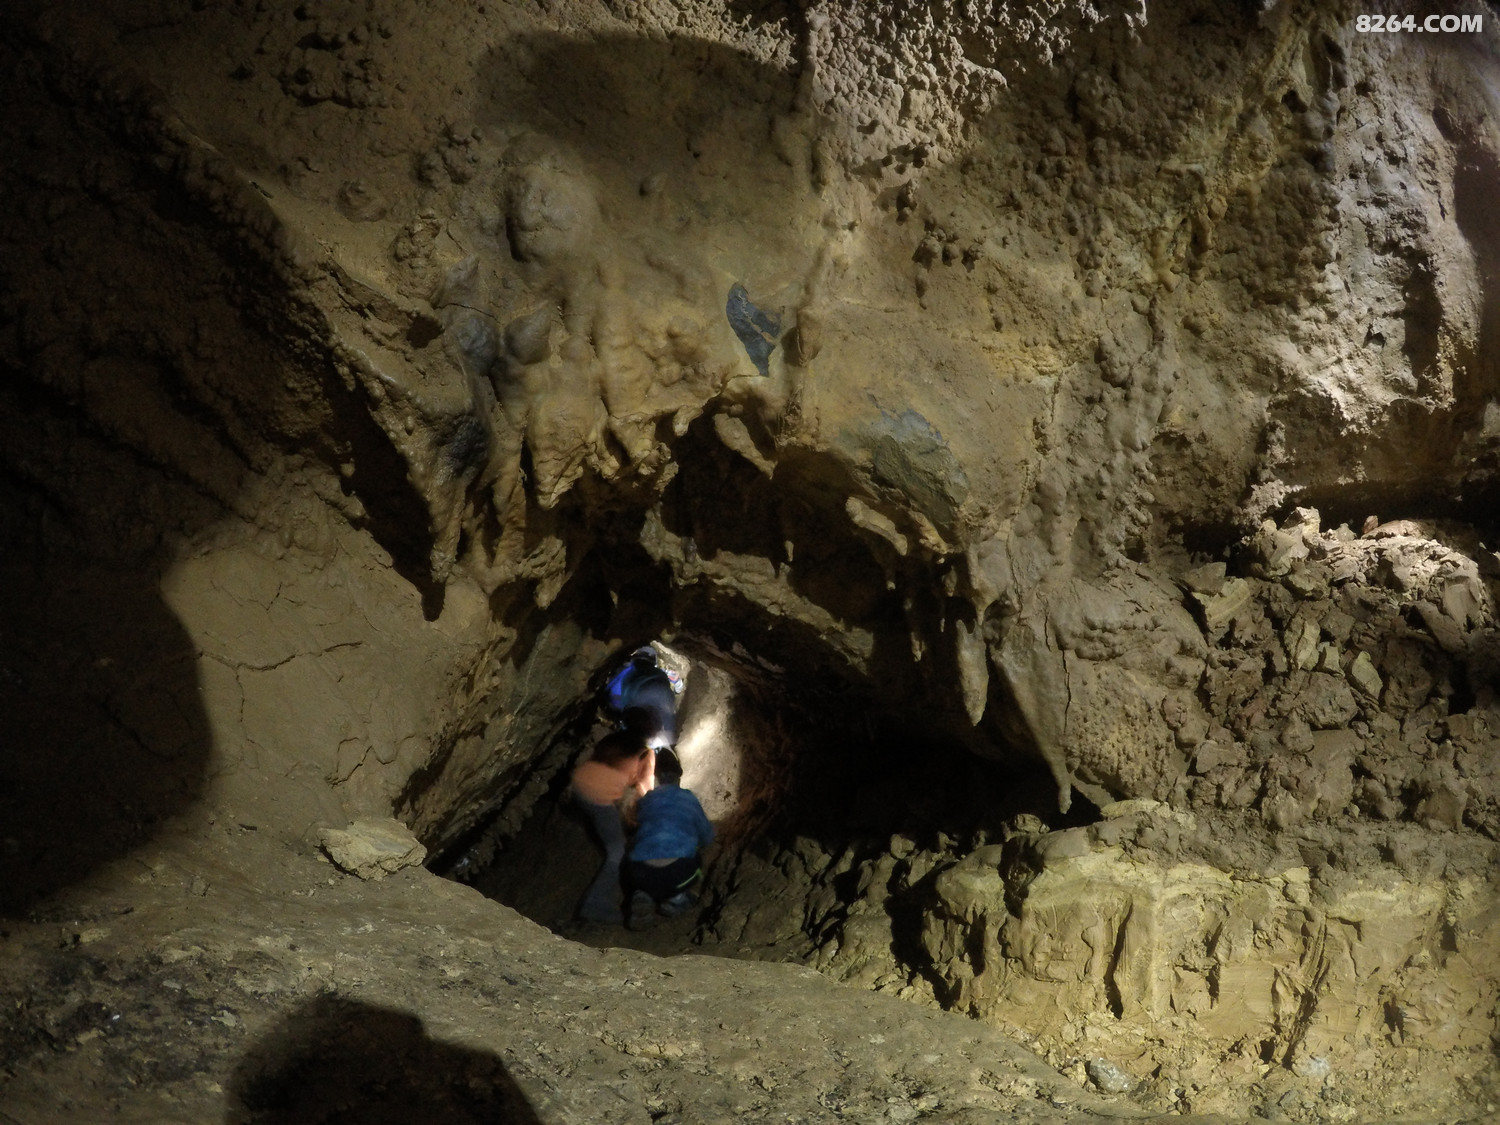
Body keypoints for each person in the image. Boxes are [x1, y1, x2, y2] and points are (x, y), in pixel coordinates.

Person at [624, 749, 714, 930]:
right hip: (677, 870)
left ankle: (643, 894)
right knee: (695, 860)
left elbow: (637, 827)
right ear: (679, 776)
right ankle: (675, 899)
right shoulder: (688, 799)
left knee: (638, 850)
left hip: (639, 871)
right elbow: (707, 836)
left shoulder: (646, 800)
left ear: (656, 777)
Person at [570, 730, 654, 924]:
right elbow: (644, 789)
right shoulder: (642, 753)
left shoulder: (616, 741)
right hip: (598, 796)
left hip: (581, 783)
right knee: (618, 852)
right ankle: (595, 906)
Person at [605, 646, 682, 749]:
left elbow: (611, 696)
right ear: (653, 661)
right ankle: (663, 747)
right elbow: (677, 684)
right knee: (663, 730)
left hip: (633, 704)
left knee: (635, 729)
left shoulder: (624, 672)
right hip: (659, 695)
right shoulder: (660, 672)